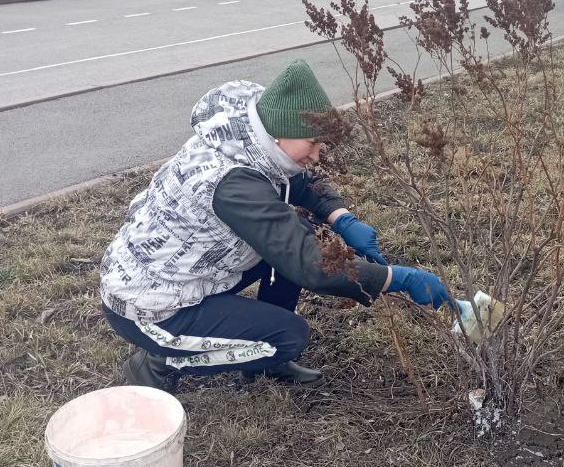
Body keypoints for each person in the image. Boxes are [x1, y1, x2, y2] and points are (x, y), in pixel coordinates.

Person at [100, 60, 452, 390]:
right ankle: (160, 360)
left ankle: (260, 355)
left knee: (299, 225)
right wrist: (397, 279)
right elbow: (313, 267)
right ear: (280, 135)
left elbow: (294, 182)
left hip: (187, 271)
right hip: (151, 307)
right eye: (312, 143)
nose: (317, 155)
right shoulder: (233, 185)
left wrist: (342, 218)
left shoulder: (252, 140)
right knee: (288, 336)